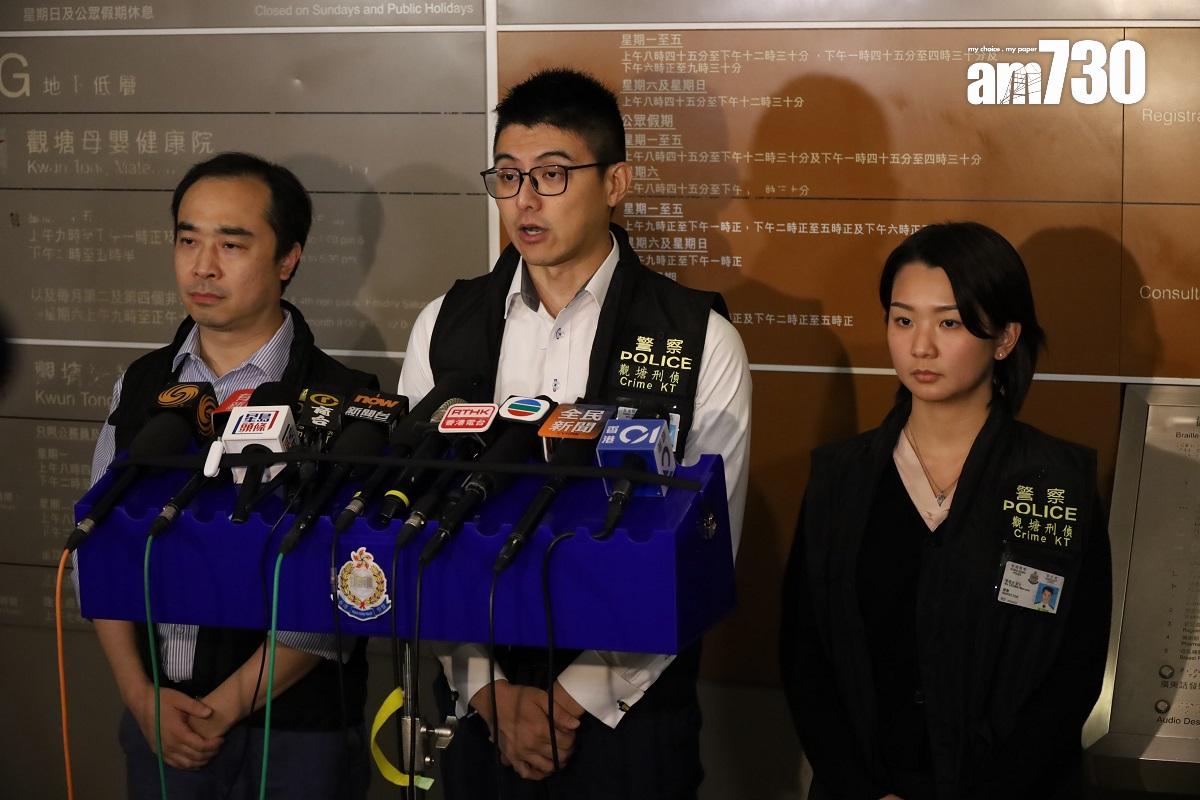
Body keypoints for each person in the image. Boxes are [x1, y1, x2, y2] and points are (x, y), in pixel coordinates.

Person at [397, 68, 752, 798]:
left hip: (631, 720)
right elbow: (413, 520)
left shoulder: (698, 338)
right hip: (479, 712)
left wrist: (574, 698)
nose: (524, 201)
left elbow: (705, 545)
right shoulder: (443, 325)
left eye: (552, 175)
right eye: (507, 176)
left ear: (616, 182)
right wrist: (486, 688)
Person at [780, 222, 1111, 799]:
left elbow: (1073, 669)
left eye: (950, 323)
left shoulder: (1057, 482)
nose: (921, 347)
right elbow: (804, 652)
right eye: (903, 320)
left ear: (1005, 338)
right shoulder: (842, 478)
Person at [85, 152, 376, 799]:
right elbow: (98, 548)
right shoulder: (143, 385)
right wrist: (140, 696)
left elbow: (345, 579)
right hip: (157, 720)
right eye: (188, 240)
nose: (203, 266)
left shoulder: (343, 398)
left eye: (232, 244)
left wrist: (224, 707)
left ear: (288, 258)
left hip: (296, 732)